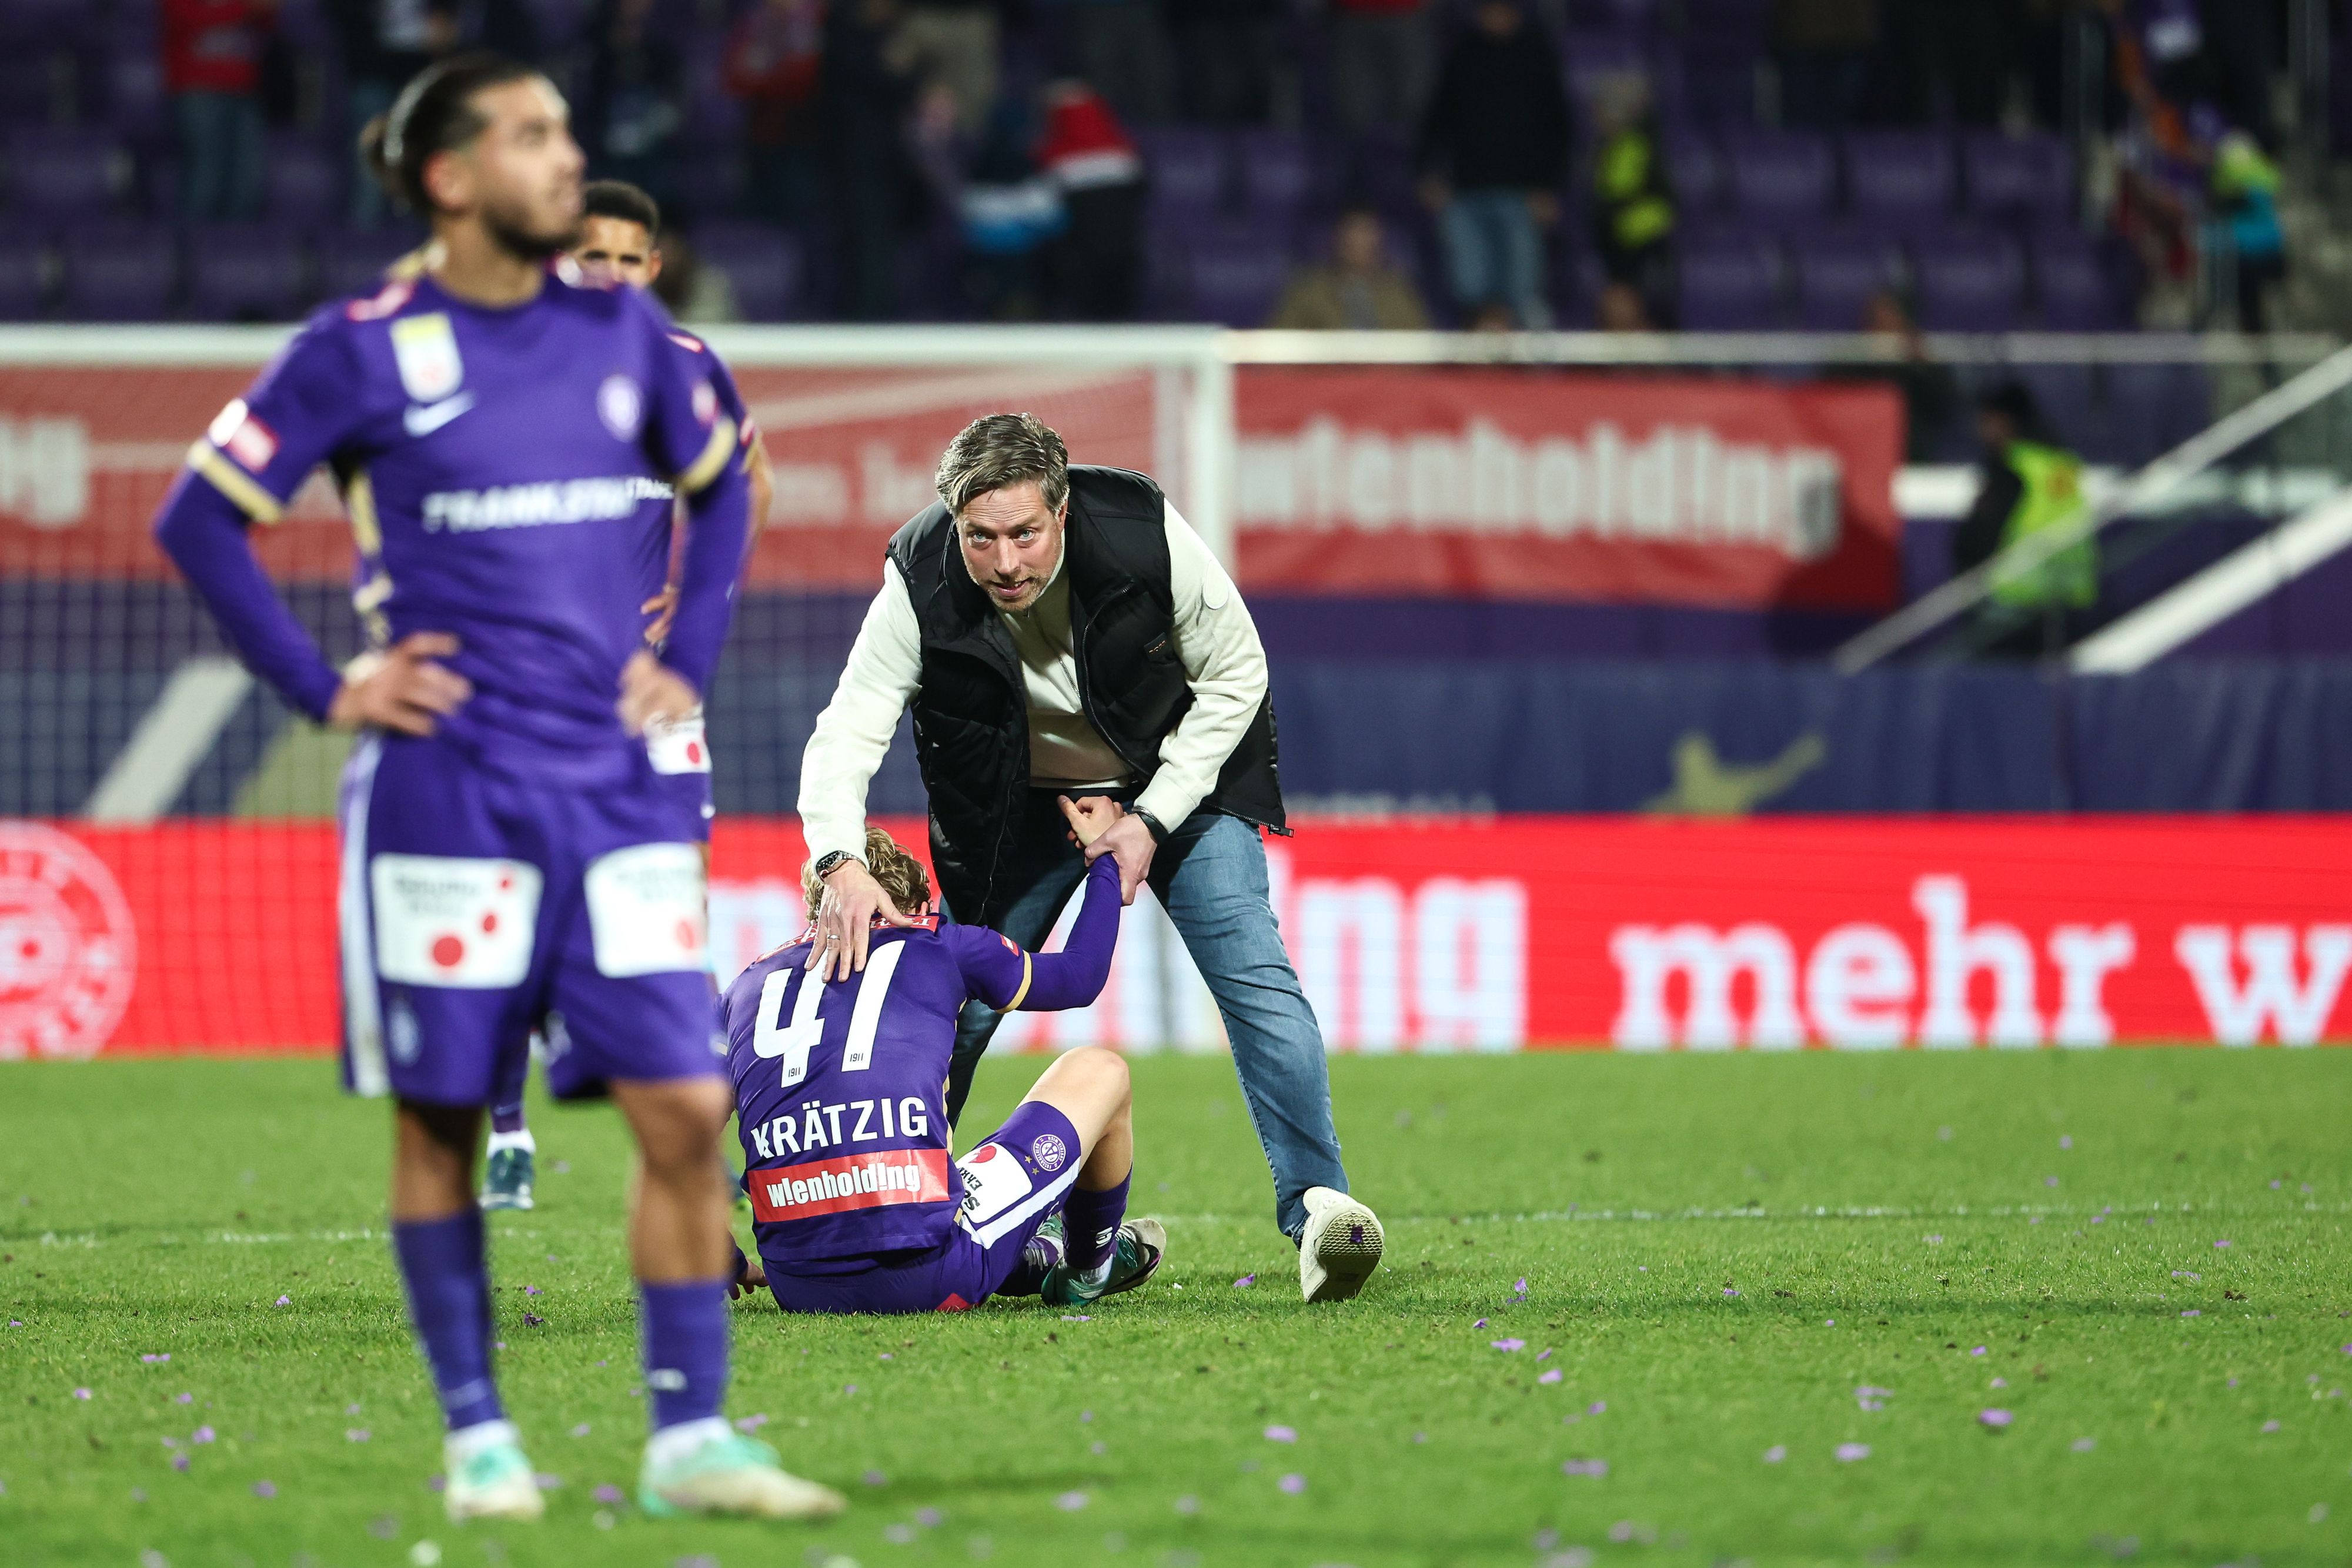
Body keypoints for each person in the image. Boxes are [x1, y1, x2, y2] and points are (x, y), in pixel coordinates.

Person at [149, 54, 838, 1524]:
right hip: (447, 795)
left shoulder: (627, 331)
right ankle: (479, 1441)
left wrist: (687, 652)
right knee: (442, 1121)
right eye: (531, 135)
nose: (566, 157)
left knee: (683, 1106)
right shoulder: (358, 350)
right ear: (450, 178)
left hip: (617, 788)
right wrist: (326, 686)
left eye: (566, 132)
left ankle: (690, 1439)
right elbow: (200, 517)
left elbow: (727, 480)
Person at [798, 413, 1386, 1304]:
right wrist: (838, 858)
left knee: (1255, 976)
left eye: (1025, 534)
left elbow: (1237, 673)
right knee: (952, 1004)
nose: (1005, 563)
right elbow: (848, 729)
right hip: (1018, 809)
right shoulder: (917, 577)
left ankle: (1318, 1208)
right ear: (955, 523)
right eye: (980, 537)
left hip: (1174, 783)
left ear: (1063, 512)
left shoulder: (1141, 529)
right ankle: (885, 1206)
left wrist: (1148, 819)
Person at [479, 177, 776, 1213]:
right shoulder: (512, 365)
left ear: (653, 268)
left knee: (677, 912)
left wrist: (694, 604)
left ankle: (698, 1148)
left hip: (655, 694)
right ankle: (507, 1127)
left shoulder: (688, 365)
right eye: (588, 256)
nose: (606, 273)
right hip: (539, 691)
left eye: (623, 258)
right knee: (520, 903)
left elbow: (749, 485)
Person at [724, 811, 1166, 1315]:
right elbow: (1080, 975)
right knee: (1102, 1070)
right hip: (930, 1275)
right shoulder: (938, 943)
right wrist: (1106, 862)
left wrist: (722, 1256)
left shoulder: (744, 988)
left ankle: (1030, 1255)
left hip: (797, 1285)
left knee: (929, 1176)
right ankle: (1088, 1269)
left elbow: (676, 1139)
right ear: (916, 907)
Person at [1416, 0, 1569, 329]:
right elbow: (1438, 116)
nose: (1493, 17)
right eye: (1487, 10)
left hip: (1522, 194)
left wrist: (1548, 187)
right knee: (1470, 288)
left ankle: (1522, 357)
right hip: (1466, 191)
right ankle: (1477, 354)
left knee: (1520, 292)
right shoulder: (1464, 53)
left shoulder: (1537, 53)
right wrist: (1426, 171)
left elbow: (1558, 126)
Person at [1953, 380, 2097, 658]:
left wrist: (1964, 556)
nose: (1980, 429)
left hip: (2015, 599)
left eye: (1987, 420)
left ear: (2006, 421)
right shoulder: (2061, 463)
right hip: (2069, 597)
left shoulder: (2012, 467)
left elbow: (1982, 534)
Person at [329, 0, 460, 228]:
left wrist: (444, 17)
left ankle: (414, 233)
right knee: (369, 154)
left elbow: (448, 20)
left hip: (418, 68)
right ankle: (362, 236)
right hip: (371, 66)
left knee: (418, 152)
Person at [1037, 79, 1147, 322]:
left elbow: (1046, 213)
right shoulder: (1125, 154)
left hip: (1083, 260)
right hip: (1123, 256)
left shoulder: (1056, 159)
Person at [165, 0, 279, 222]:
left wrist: (266, 11)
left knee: (248, 179)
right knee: (206, 176)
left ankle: (239, 242)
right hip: (199, 88)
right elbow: (184, 19)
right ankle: (194, 240)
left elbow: (266, 27)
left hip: (244, 88)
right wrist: (244, 9)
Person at [722, 0, 827, 230]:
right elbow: (734, 79)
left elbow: (807, 81)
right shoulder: (755, 22)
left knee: (802, 219)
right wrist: (777, 73)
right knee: (758, 219)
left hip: (808, 140)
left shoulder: (817, 17)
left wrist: (766, 74)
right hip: (761, 137)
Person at [577, 0, 689, 211]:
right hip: (603, 144)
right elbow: (588, 97)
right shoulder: (594, 40)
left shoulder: (664, 41)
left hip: (653, 145)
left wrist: (650, 127)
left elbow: (675, 98)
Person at [1585, 73, 1673, 326]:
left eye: (1603, 110)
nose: (1597, 118)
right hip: (1624, 247)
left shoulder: (1632, 146)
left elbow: (1617, 197)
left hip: (1637, 249)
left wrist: (1618, 230)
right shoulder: (1615, 146)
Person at [1269, 207, 1430, 330]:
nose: (1360, 242)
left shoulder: (1399, 293)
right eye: (1353, 233)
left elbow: (1421, 347)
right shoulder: (1308, 291)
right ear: (1338, 239)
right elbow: (1279, 345)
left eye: (1367, 233)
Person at [1327, 0, 1432, 136]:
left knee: (1413, 91)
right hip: (1353, 14)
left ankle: (1406, 138)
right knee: (1354, 95)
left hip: (1404, 13)